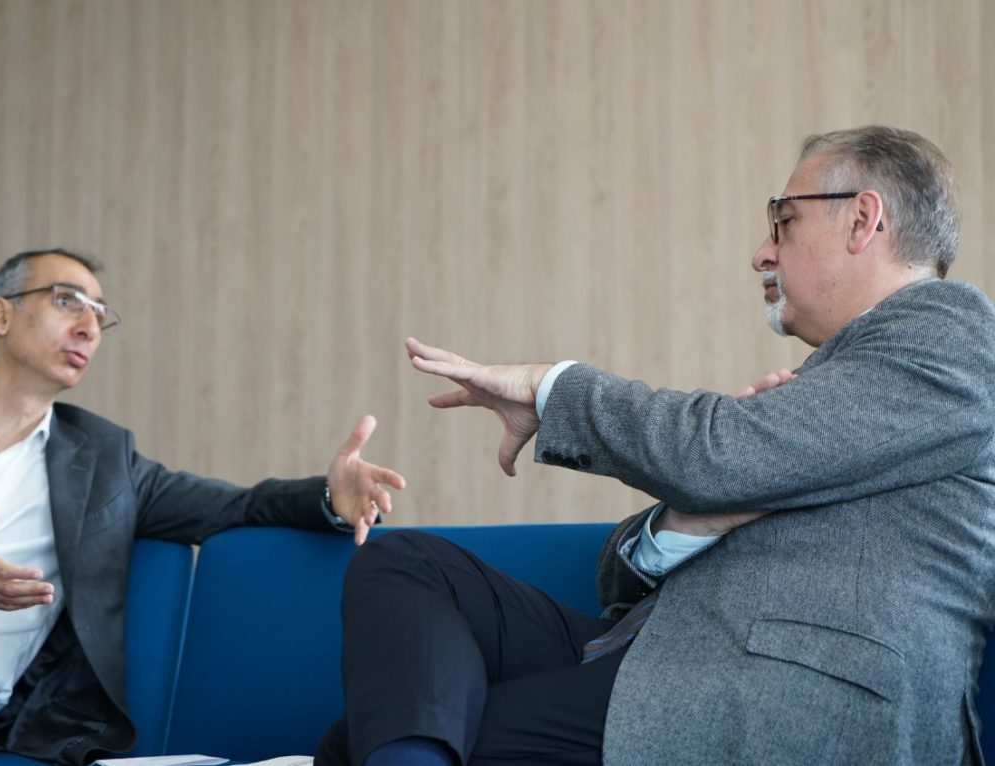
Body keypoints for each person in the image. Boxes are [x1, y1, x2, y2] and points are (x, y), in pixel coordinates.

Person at [315, 126, 995, 765]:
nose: (761, 252)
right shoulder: (845, 384)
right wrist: (688, 520)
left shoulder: (950, 335)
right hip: (673, 658)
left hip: (795, 705)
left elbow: (715, 454)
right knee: (405, 567)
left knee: (368, 741)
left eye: (782, 222)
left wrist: (547, 386)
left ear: (862, 219)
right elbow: (635, 560)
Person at [0, 248, 406, 766]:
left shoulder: (107, 462)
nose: (90, 325)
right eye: (67, 300)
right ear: (1, 314)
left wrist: (329, 497)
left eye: (99, 313)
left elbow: (235, 507)